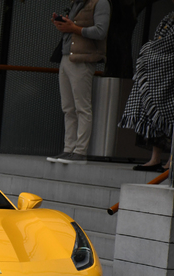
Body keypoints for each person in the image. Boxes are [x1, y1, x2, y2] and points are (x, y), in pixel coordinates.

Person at [47, 0, 111, 164]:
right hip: (66, 56)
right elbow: (73, 29)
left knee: (82, 107)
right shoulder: (77, 4)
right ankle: (69, 148)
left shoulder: (100, 3)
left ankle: (80, 151)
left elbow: (101, 31)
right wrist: (62, 24)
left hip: (83, 59)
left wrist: (73, 28)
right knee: (68, 107)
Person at [119, 7, 174, 172]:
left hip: (170, 73)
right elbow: (159, 41)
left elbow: (166, 44)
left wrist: (154, 51)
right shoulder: (169, 17)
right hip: (158, 72)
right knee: (152, 113)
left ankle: (171, 160)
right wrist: (152, 53)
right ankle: (155, 158)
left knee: (169, 115)